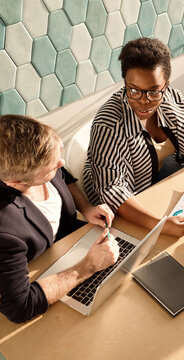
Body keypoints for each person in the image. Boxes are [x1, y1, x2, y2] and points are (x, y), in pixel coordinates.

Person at [84, 37, 184, 238]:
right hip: (119, 209)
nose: (143, 102)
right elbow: (113, 191)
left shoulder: (171, 98)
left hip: (154, 185)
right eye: (134, 90)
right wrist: (161, 226)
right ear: (124, 83)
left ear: (165, 85)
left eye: (154, 91)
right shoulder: (108, 124)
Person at [0, 115, 119, 323]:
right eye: (51, 167)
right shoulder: (5, 230)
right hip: (50, 276)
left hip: (74, 246)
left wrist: (87, 208)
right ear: (15, 182)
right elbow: (20, 306)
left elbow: (63, 175)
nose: (61, 164)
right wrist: (87, 267)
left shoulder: (39, 163)